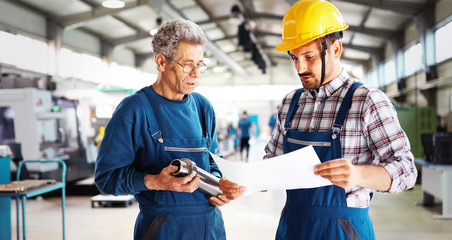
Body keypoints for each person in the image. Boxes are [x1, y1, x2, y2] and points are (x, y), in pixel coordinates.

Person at [264, 1, 417, 239]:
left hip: (343, 230)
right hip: (292, 227)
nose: (300, 67)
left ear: (335, 49)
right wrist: (244, 183)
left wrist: (357, 175)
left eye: (309, 56)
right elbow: (271, 162)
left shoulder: (367, 101)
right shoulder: (289, 104)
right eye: (294, 58)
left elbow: (407, 170)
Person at [95, 19, 246, 240]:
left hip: (210, 228)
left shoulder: (203, 107)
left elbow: (214, 163)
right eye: (187, 64)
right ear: (162, 62)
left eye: (200, 64)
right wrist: (155, 181)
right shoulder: (134, 110)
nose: (196, 73)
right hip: (162, 229)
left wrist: (219, 186)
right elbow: (106, 178)